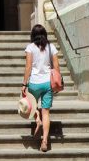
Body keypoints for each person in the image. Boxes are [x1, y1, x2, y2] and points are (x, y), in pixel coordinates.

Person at [21, 24, 60, 152]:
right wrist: (57, 81)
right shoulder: (51, 47)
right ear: (44, 34)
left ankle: (37, 119)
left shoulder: (30, 48)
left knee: (32, 106)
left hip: (34, 83)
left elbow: (28, 67)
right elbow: (56, 66)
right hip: (48, 83)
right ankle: (45, 141)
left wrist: (24, 84)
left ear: (33, 35)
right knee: (46, 112)